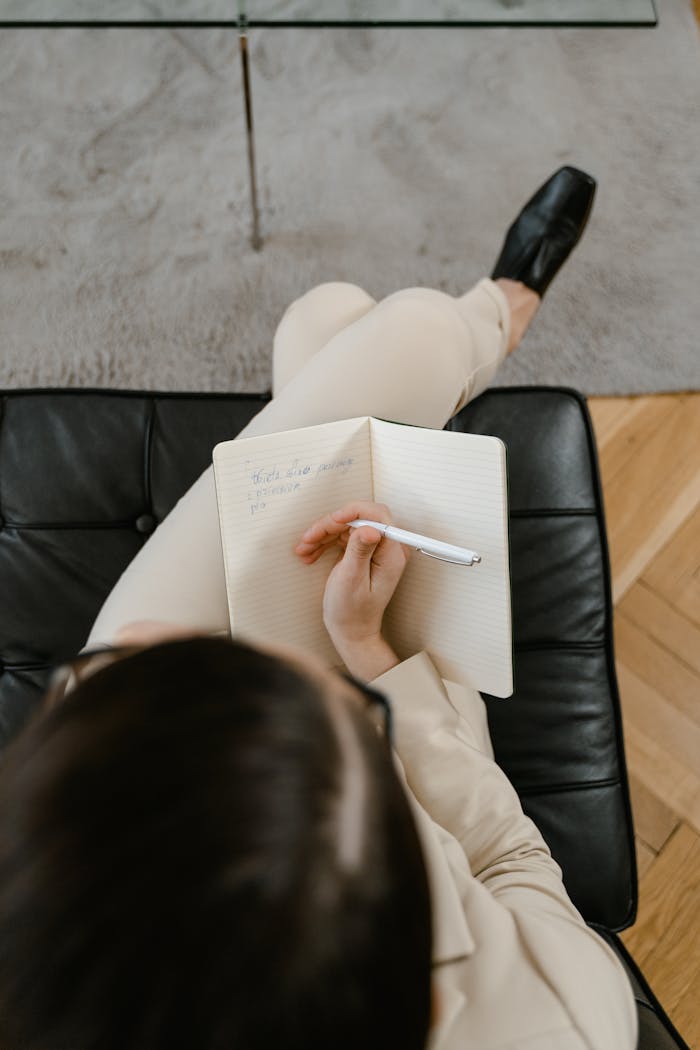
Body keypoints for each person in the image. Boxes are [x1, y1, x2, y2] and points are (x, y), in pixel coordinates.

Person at [0, 167, 638, 1050]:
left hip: (131, 790)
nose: (146, 639)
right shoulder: (564, 1022)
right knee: (367, 324)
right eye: (342, 713)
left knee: (327, 322)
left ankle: (453, 341)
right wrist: (373, 658)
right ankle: (499, 310)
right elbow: (509, 862)